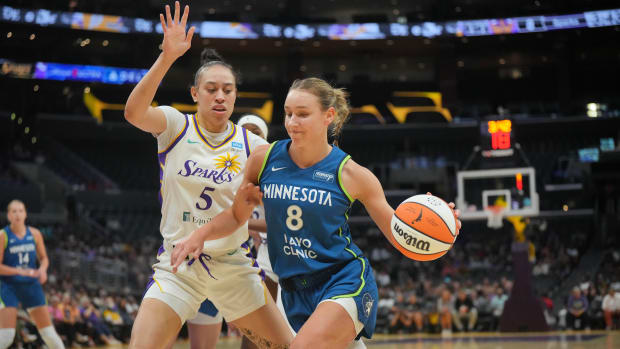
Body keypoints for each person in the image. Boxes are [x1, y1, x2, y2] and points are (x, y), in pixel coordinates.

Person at [171, 77, 462, 348]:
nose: (292, 122)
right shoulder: (263, 159)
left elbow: (400, 235)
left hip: (343, 280)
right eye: (288, 113)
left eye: (302, 114)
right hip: (295, 292)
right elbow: (236, 217)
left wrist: (434, 223)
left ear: (328, 116)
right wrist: (200, 234)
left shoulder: (352, 174)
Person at [123, 2, 293, 348]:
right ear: (195, 94)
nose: (220, 96)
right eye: (212, 89)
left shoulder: (254, 145)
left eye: (228, 90)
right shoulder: (175, 125)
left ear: (235, 96)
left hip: (232, 266)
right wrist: (167, 57)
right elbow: (134, 112)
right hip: (179, 265)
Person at [0, 199, 65, 349]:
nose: (17, 214)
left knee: (48, 332)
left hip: (31, 285)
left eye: (21, 210)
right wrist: (20, 271)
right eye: (14, 211)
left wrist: (42, 270)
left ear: (26, 214)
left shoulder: (35, 233)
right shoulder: (3, 235)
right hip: (8, 286)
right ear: (8, 215)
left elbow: (44, 258)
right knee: (6, 336)